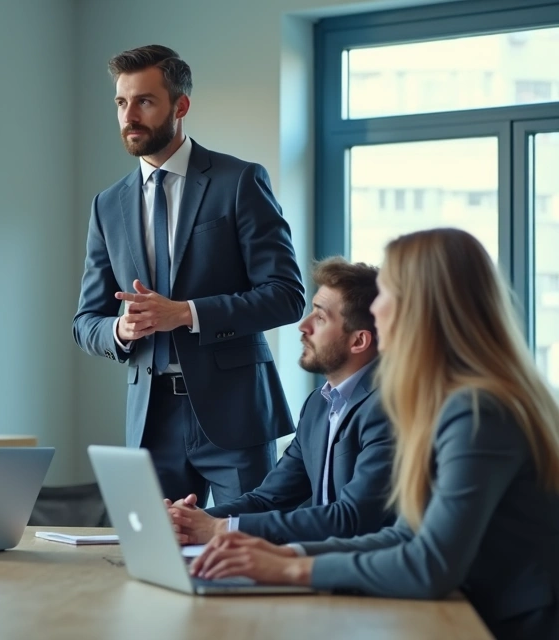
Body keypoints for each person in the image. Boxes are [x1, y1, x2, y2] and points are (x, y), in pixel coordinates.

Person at [191, 229, 559, 640]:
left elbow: (428, 564)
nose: (377, 311)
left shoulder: (477, 409)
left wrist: (291, 567)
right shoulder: (450, 400)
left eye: (385, 293)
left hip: (503, 625)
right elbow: (405, 535)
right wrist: (285, 552)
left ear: (420, 309)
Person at [72, 44, 305, 505]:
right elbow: (85, 323)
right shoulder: (107, 205)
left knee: (247, 551)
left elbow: (286, 295)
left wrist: (186, 313)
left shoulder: (239, 181)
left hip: (234, 413)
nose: (129, 115)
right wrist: (119, 329)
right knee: (157, 561)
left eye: (144, 101)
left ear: (180, 106)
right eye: (122, 102)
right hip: (151, 418)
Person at [165, 258, 394, 545]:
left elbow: (351, 518)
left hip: (364, 574)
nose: (303, 325)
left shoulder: (389, 409)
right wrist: (187, 520)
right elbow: (268, 499)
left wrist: (218, 529)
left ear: (359, 341)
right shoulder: (318, 404)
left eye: (320, 318)